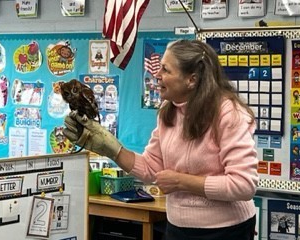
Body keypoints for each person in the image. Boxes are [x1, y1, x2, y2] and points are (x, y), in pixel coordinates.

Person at [63, 39, 259, 240]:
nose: (156, 75)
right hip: (178, 227)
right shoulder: (168, 112)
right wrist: (110, 147)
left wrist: (181, 182)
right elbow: (150, 169)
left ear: (191, 80)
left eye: (165, 70)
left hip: (227, 230)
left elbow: (243, 185)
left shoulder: (228, 114)